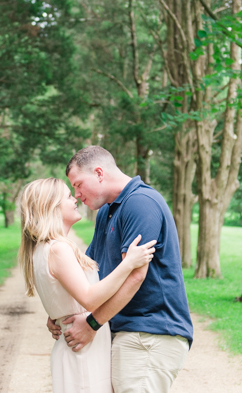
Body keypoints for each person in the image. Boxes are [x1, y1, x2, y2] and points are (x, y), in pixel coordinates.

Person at [48, 146, 193, 393]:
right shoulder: (107, 210)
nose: (77, 194)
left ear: (99, 173)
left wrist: (91, 324)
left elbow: (135, 276)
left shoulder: (140, 203)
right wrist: (61, 313)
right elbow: (90, 272)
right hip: (126, 331)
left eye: (79, 184)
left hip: (149, 332)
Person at [19, 177, 157, 393]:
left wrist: (57, 313)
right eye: (67, 196)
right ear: (51, 207)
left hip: (80, 348)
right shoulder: (57, 249)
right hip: (82, 352)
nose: (74, 199)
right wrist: (128, 263)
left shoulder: (43, 249)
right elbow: (90, 298)